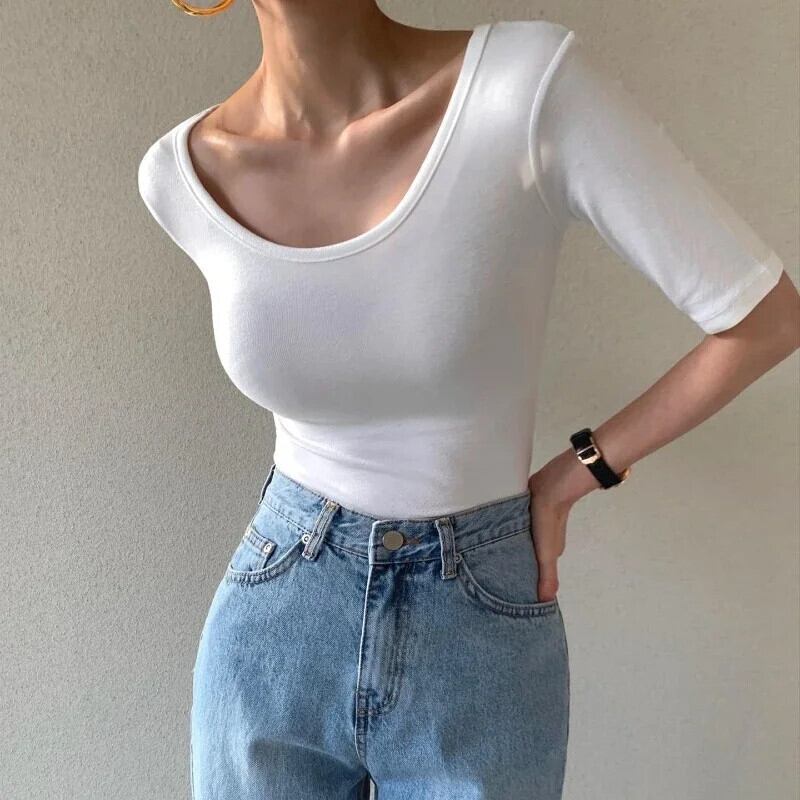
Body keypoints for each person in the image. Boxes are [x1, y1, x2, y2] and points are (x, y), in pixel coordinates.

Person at [137, 3, 799, 798]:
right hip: (279, 609)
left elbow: (765, 319)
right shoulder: (180, 175)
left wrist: (578, 472)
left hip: (477, 618)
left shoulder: (525, 88)